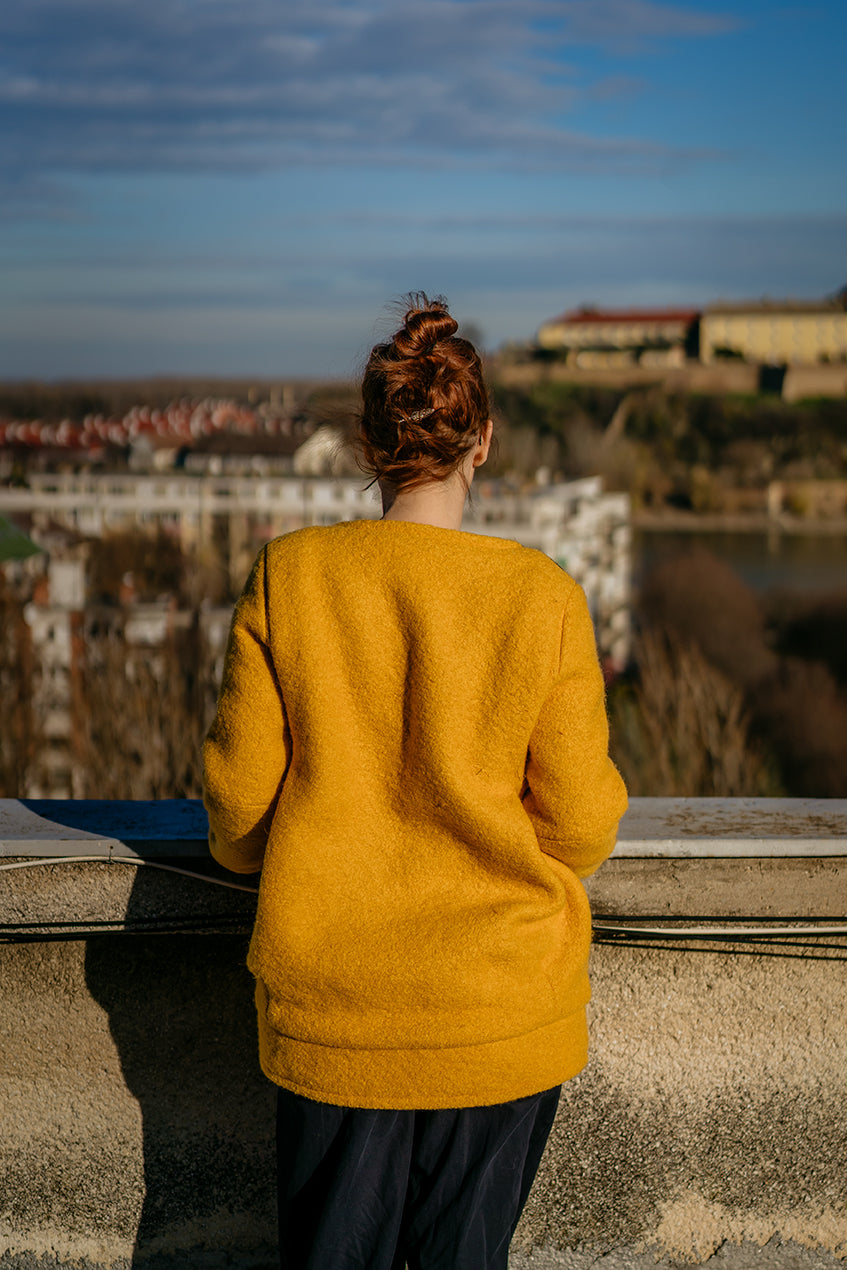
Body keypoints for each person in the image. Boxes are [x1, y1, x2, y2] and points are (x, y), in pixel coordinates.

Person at [202, 294, 628, 1270]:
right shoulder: (543, 597)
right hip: (498, 1011)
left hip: (337, 1014)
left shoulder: (289, 577)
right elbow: (579, 827)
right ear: (483, 440)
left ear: (367, 440)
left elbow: (235, 817)